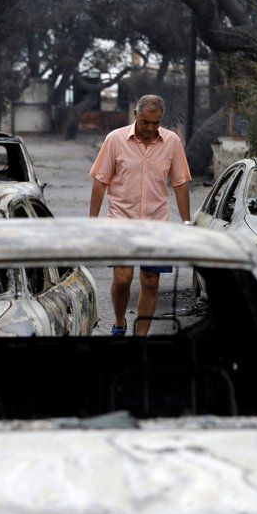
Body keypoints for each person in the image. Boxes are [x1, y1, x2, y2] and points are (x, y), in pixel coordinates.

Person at [89, 94, 192, 336]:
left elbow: (180, 183)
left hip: (157, 224)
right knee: (123, 277)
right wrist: (91, 222)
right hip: (121, 223)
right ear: (135, 115)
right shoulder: (115, 140)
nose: (150, 128)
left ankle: (140, 338)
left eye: (156, 123)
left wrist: (186, 222)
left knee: (150, 281)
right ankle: (119, 321)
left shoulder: (172, 142)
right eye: (146, 121)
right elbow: (100, 182)